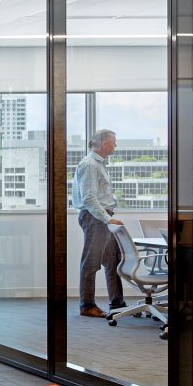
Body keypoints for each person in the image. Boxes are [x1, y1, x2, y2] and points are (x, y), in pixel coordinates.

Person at [72, 129, 126, 320]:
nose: (115, 145)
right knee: (91, 262)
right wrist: (107, 218)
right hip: (96, 219)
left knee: (113, 261)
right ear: (104, 144)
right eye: (113, 142)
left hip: (103, 218)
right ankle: (87, 306)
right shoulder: (90, 165)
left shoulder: (99, 164)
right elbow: (89, 198)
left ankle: (117, 303)